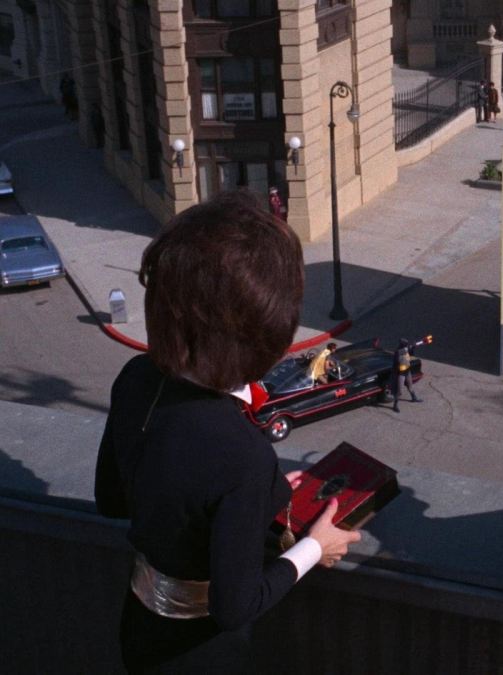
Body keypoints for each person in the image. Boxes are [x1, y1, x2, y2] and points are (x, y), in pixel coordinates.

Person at [94, 190, 360, 673]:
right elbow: (235, 606)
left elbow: (112, 500)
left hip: (139, 628)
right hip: (201, 654)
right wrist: (314, 547)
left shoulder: (136, 377)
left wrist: (256, 499)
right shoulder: (244, 455)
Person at [390, 335, 431, 413]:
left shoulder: (405, 349)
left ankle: (414, 398)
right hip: (400, 373)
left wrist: (416, 345)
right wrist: (413, 346)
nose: (406, 346)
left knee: (410, 386)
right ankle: (395, 405)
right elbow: (406, 350)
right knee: (399, 391)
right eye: (405, 345)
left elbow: (410, 350)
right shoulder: (398, 352)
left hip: (407, 371)